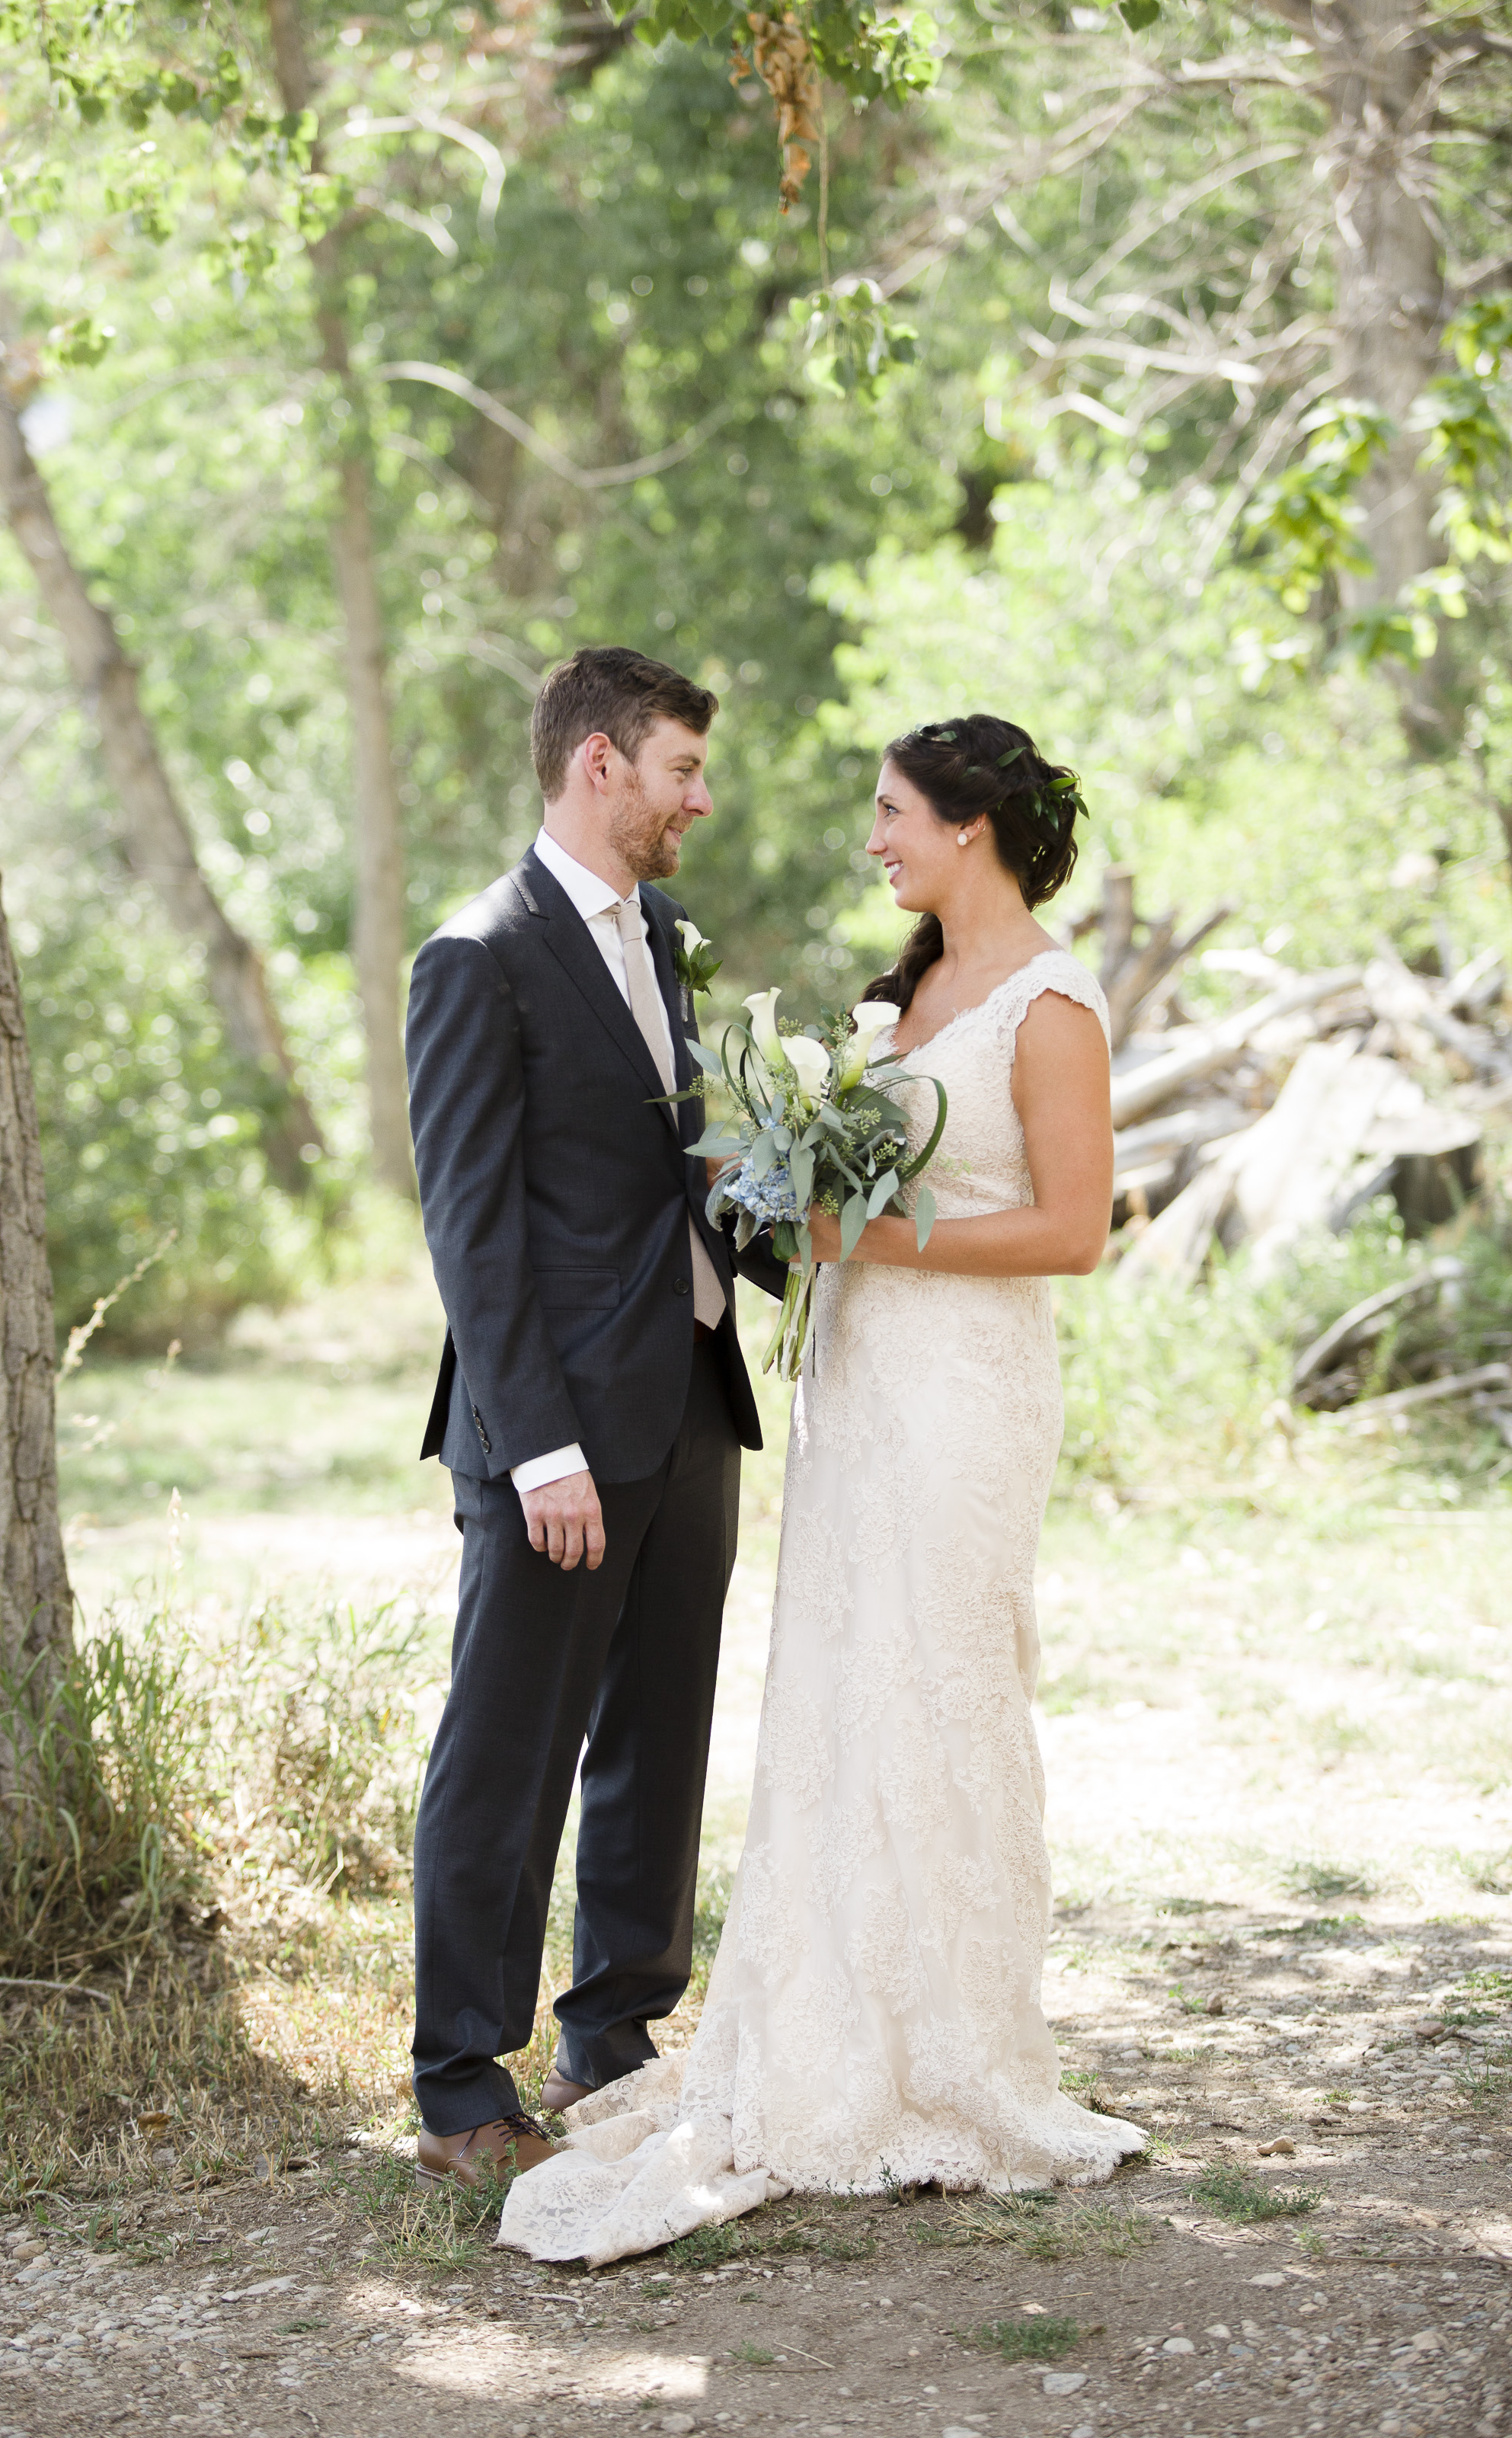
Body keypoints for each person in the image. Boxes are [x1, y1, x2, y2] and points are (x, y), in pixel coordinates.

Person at [499, 712, 1146, 2265]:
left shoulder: (1048, 1002)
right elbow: (851, 1201)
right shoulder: (902, 991)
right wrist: (774, 1191)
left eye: (891, 812)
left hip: (969, 1395)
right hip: (860, 1386)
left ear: (969, 826)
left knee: (943, 1683)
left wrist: (884, 1241)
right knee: (843, 1685)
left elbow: (1073, 1229)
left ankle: (954, 2056)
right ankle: (834, 2031)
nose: (872, 839)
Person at [404, 645, 783, 2191]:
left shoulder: (663, 934)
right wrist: (540, 1445)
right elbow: (471, 1228)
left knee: (656, 1733)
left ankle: (612, 2034)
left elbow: (672, 1166)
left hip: (687, 1398)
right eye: (683, 767)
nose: (702, 795)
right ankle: (456, 2078)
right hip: (552, 1433)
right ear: (600, 766)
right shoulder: (476, 953)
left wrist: (790, 1198)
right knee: (508, 1748)